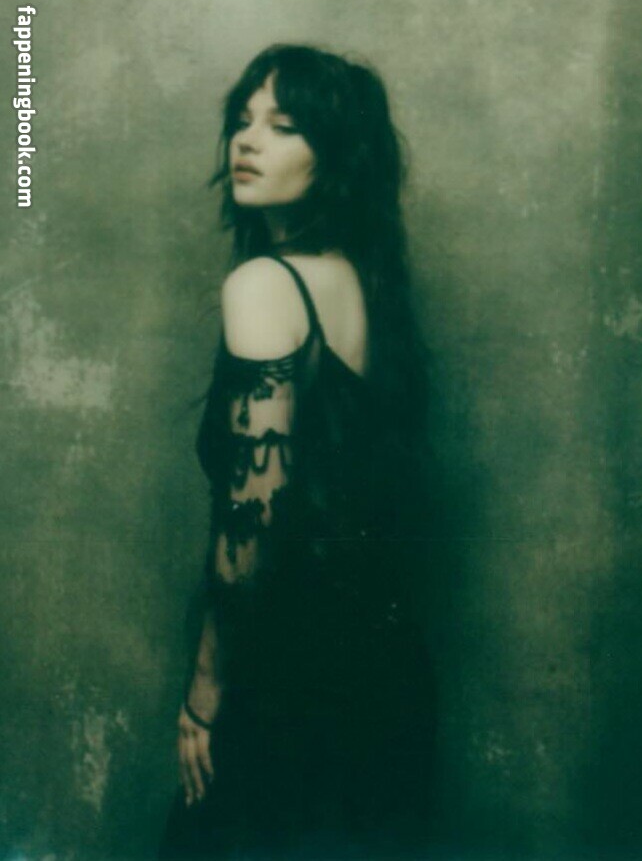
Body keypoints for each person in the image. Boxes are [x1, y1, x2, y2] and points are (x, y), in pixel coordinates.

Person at [159, 43, 439, 860]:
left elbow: (252, 522)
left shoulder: (263, 287)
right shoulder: (366, 283)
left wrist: (204, 692)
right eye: (242, 121)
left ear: (336, 155)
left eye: (283, 126)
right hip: (390, 667)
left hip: (290, 675)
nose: (247, 141)